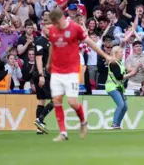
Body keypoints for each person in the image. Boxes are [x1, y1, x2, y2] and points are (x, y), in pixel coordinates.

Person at [47, 8, 113, 142]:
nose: (55, 26)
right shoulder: (53, 30)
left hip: (71, 70)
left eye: (56, 22)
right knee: (56, 100)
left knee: (72, 102)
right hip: (56, 70)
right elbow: (52, 46)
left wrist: (105, 55)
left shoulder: (75, 28)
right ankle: (63, 132)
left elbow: (90, 42)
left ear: (61, 18)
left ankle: (83, 122)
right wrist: (49, 63)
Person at [106, 46, 136, 129]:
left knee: (125, 107)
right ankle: (114, 123)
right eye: (121, 52)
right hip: (112, 87)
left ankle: (117, 124)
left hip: (118, 87)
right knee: (120, 104)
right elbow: (118, 76)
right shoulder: (113, 63)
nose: (122, 54)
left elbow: (123, 73)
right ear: (116, 53)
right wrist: (131, 74)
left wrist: (133, 70)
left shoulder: (119, 63)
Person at [34, 22, 54, 135]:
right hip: (43, 75)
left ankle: (39, 127)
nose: (50, 30)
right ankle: (40, 119)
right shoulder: (40, 41)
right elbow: (38, 59)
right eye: (48, 28)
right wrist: (41, 75)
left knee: (42, 100)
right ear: (43, 28)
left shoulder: (47, 41)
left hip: (46, 74)